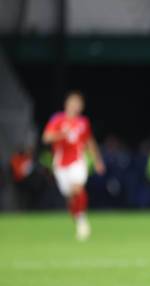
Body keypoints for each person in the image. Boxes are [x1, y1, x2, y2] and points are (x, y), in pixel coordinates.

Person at [42, 91, 105, 240]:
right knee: (71, 198)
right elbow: (46, 137)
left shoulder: (83, 122)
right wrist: (62, 134)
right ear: (66, 104)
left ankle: (82, 221)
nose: (75, 106)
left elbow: (89, 142)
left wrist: (97, 160)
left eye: (78, 103)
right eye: (72, 102)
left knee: (78, 189)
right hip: (60, 164)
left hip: (77, 161)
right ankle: (78, 219)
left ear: (81, 106)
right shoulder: (58, 119)